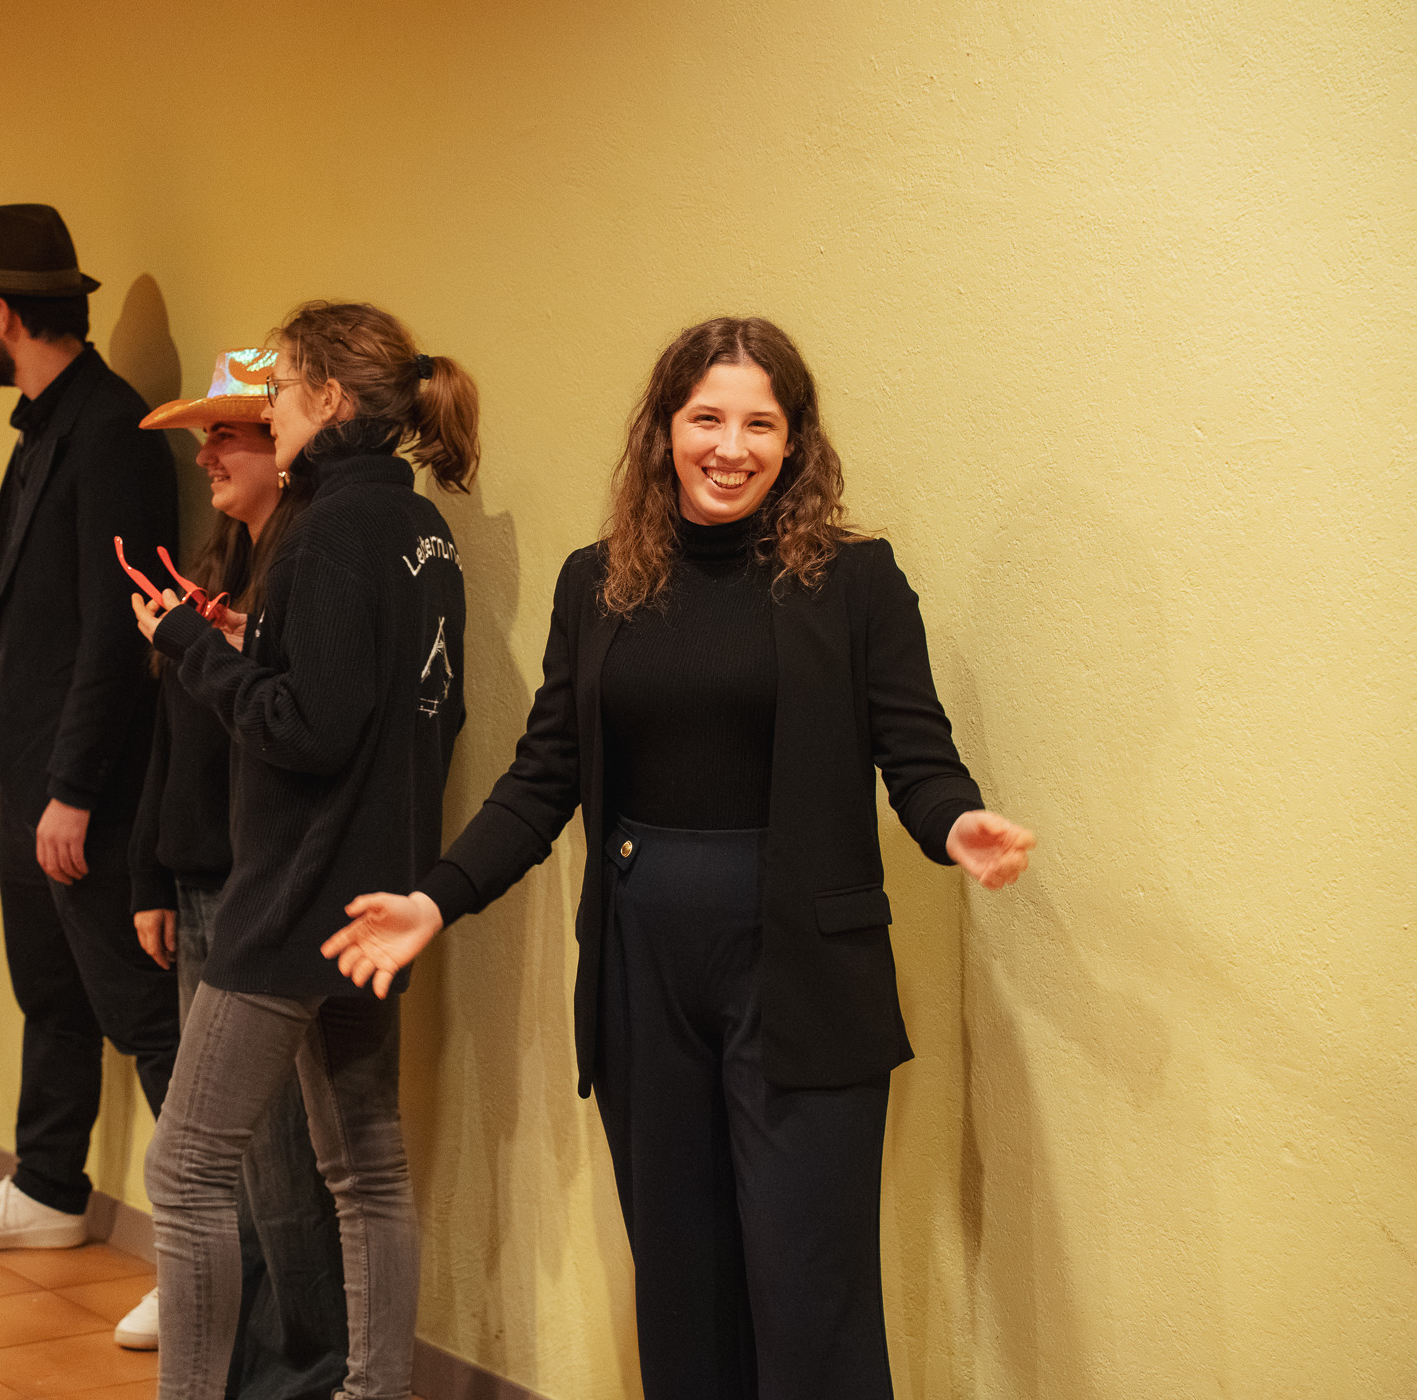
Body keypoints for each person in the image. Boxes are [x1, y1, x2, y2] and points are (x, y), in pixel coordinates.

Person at [325, 317, 1037, 1399]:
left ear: (795, 442)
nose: (730, 447)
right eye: (707, 418)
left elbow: (915, 751)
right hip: (642, 964)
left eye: (761, 424)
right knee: (682, 1287)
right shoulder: (596, 583)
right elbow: (543, 775)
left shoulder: (855, 581)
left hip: (802, 969)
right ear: (663, 428)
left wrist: (955, 823)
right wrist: (437, 899)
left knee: (810, 1292)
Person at [132, 302, 480, 1400]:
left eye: (279, 387)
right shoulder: (420, 529)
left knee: (186, 1169)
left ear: (329, 398)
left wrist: (189, 645)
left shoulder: (326, 530)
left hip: (293, 902)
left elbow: (307, 728)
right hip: (376, 892)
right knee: (365, 1163)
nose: (269, 407)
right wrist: (252, 646)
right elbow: (413, 709)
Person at [0, 204, 182, 1254]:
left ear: (2, 314)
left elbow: (118, 633)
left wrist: (70, 789)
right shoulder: (45, 427)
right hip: (29, 779)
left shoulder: (111, 431)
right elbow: (9, 609)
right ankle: (49, 1186)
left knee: (142, 1011)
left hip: (87, 789)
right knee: (52, 992)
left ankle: (205, 1249)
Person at [114, 348, 348, 1386]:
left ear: (285, 444)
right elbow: (172, 745)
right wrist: (151, 876)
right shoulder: (215, 575)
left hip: (267, 895)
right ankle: (249, 1366)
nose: (206, 455)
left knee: (283, 1167)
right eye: (203, 436)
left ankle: (307, 1370)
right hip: (202, 881)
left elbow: (300, 737)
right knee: (228, 1171)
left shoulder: (302, 577)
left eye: (228, 434)